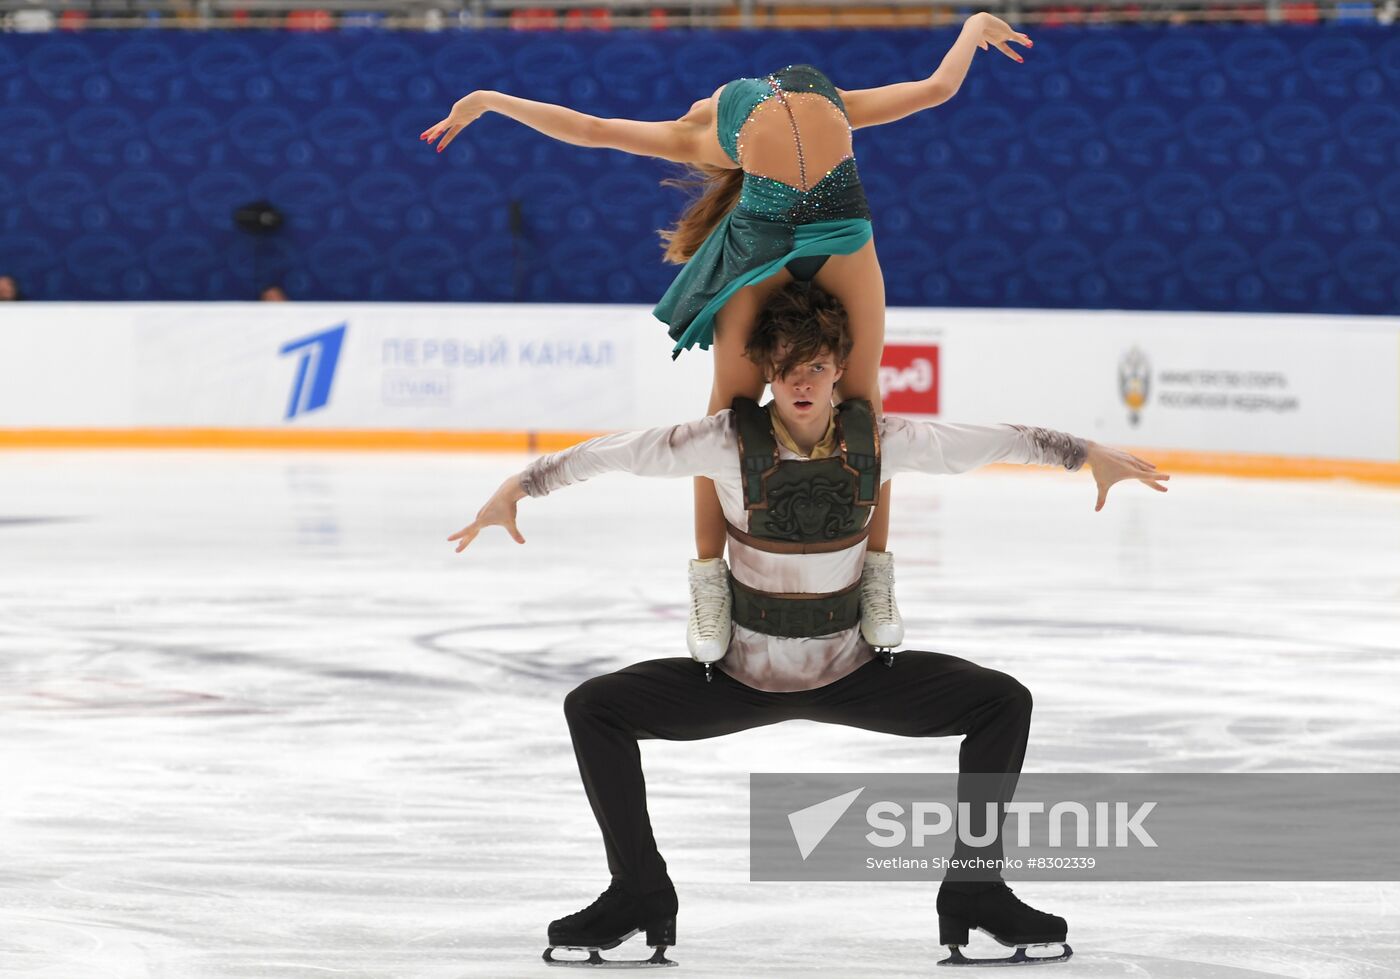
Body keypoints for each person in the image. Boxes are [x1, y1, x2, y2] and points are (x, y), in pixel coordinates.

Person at [449, 286, 1168, 967]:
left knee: (1001, 701)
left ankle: (975, 888)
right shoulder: (722, 443)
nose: (802, 382)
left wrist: (1084, 453)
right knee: (594, 708)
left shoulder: (882, 439)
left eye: (817, 367)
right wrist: (516, 489)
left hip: (853, 673)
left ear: (839, 373)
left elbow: (992, 442)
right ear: (767, 373)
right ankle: (639, 888)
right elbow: (607, 454)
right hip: (737, 678)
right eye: (789, 368)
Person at [423, 12, 1035, 668]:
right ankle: (709, 582)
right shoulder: (706, 135)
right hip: (770, 246)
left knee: (864, 413)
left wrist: (972, 27)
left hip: (835, 240)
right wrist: (490, 101)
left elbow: (936, 89)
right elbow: (591, 130)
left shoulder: (816, 106)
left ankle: (876, 577)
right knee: (724, 421)